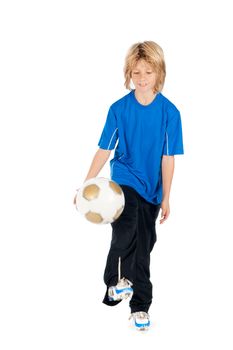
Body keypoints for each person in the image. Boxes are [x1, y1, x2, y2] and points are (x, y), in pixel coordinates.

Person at [74, 41, 184, 331]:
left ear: (159, 73)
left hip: (152, 188)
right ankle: (115, 282)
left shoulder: (170, 113)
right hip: (124, 180)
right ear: (128, 73)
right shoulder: (118, 109)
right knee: (127, 224)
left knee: (145, 245)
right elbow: (104, 150)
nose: (142, 78)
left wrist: (167, 197)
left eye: (148, 72)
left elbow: (168, 158)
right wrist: (85, 184)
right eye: (136, 72)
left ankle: (138, 306)